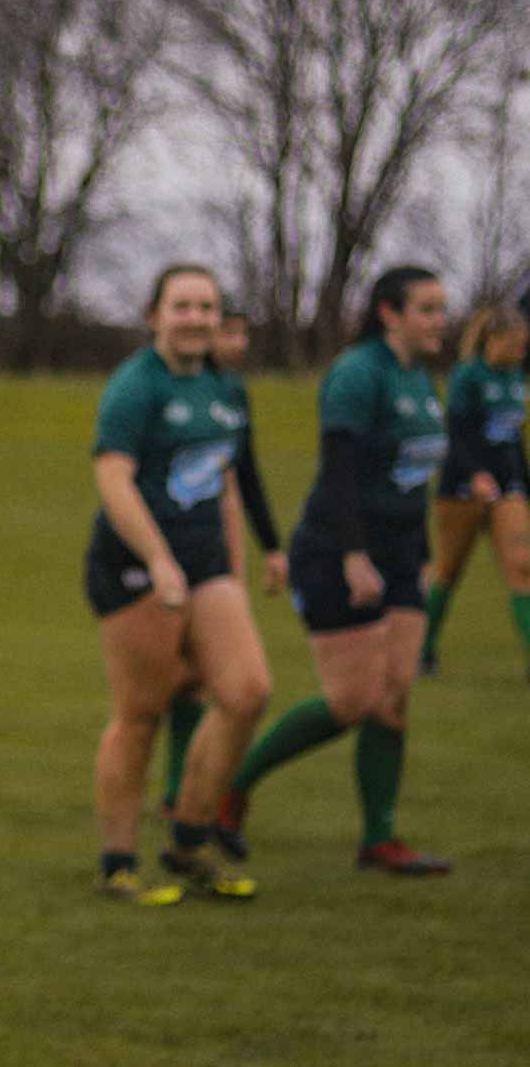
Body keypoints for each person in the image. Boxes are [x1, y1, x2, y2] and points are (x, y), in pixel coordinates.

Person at [220, 266, 454, 876]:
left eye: (441, 308)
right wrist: (353, 555)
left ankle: (379, 840)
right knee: (353, 700)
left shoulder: (419, 378)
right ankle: (231, 785)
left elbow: (414, 476)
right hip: (336, 553)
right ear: (389, 313)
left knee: (394, 698)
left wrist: (424, 555)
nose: (440, 320)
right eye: (427, 309)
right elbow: (341, 472)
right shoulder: (358, 374)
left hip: (402, 558)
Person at [85, 265, 271, 904]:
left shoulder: (227, 389)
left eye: (207, 307)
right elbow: (113, 478)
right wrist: (160, 560)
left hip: (206, 562)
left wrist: (237, 570)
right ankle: (118, 864)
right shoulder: (136, 387)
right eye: (182, 306)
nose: (196, 318)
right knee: (141, 712)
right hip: (134, 566)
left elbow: (224, 482)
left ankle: (189, 836)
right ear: (155, 314)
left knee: (246, 691)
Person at [159, 311, 287, 817]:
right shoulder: (164, 386)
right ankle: (180, 792)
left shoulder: (232, 393)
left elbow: (247, 473)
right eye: (228, 331)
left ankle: (190, 793)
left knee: (217, 677)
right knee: (184, 676)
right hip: (168, 552)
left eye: (241, 330)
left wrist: (271, 546)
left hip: (218, 547)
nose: (238, 341)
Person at [418, 303, 530, 679]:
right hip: (462, 487)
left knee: (523, 566)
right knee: (449, 570)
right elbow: (456, 434)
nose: (520, 352)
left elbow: (514, 438)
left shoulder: (517, 377)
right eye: (513, 344)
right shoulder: (469, 377)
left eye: (524, 346)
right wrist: (476, 474)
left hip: (508, 486)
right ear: (491, 340)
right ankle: (423, 649)